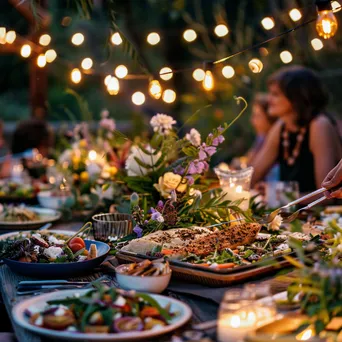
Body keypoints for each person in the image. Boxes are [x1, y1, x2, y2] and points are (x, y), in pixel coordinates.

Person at [251, 65, 342, 193]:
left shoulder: (319, 125)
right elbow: (253, 176)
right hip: (295, 212)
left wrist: (276, 194)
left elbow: (326, 193)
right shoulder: (282, 126)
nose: (269, 99)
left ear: (296, 98)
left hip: (327, 212)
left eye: (275, 94)